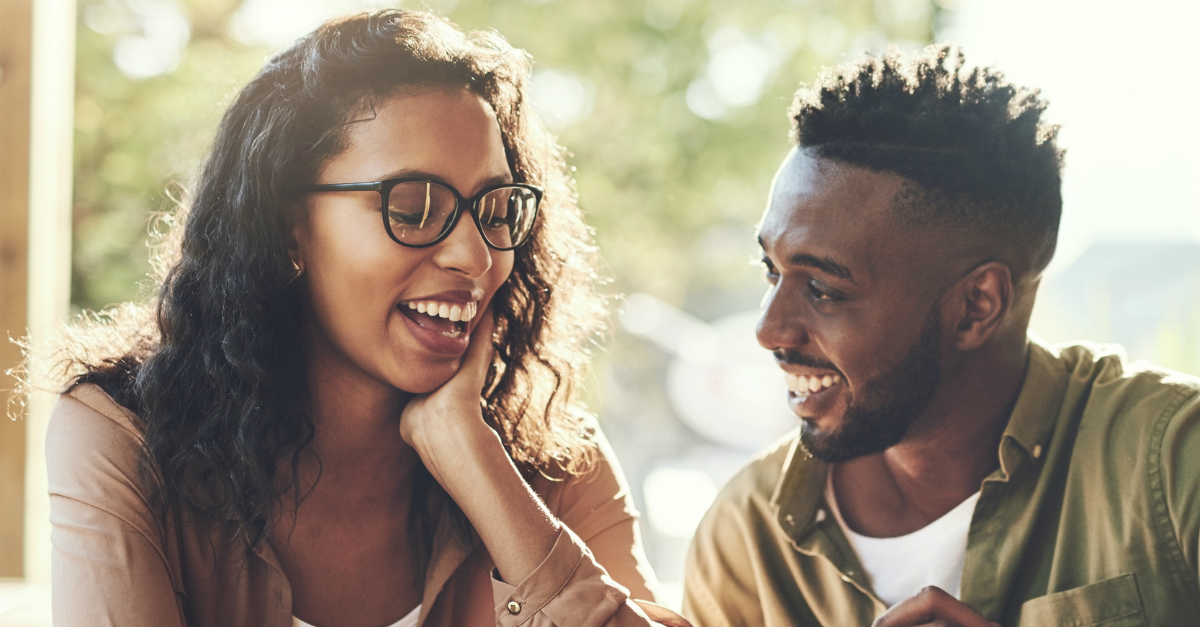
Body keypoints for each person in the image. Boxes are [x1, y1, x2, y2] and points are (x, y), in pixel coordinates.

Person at [33, 10, 689, 627]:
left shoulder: (552, 458)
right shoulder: (125, 440)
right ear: (290, 227)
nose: (475, 254)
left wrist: (481, 467)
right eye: (412, 205)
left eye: (495, 207)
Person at [682, 44, 1200, 627]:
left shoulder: (1177, 463)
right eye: (771, 272)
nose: (767, 329)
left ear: (976, 306)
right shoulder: (748, 537)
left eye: (824, 289)